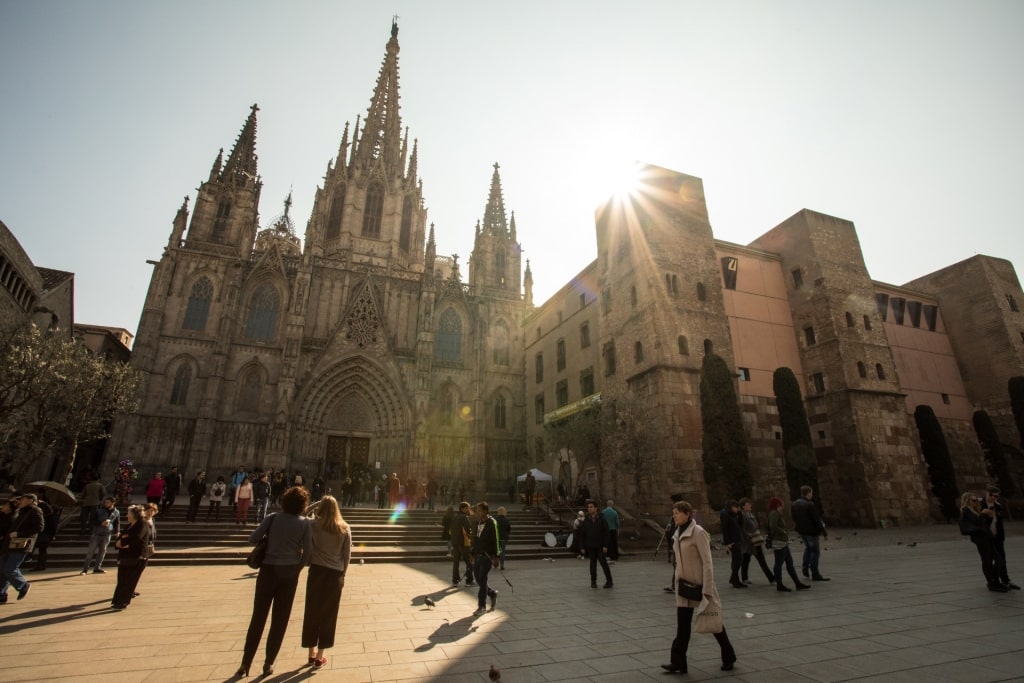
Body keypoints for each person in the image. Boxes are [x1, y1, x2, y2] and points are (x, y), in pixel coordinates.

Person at [238, 486, 313, 677]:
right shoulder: (305, 524)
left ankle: (245, 663)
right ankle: (268, 663)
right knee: (280, 620)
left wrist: (269, 542)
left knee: (258, 618)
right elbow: (308, 554)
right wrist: (297, 568)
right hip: (289, 574)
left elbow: (252, 538)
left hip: (268, 571)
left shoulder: (272, 518)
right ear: (303, 505)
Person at [662, 500, 737, 674]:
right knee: (682, 627)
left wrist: (708, 588)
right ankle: (678, 662)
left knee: (713, 622)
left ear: (687, 514)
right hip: (684, 586)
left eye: (678, 513)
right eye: (673, 514)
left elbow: (707, 562)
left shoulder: (698, 532)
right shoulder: (676, 532)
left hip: (701, 585)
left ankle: (729, 655)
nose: (675, 516)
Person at [302, 495, 352, 669]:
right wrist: (342, 575)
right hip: (335, 575)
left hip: (316, 572)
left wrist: (318, 504)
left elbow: (302, 513)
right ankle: (320, 656)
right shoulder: (344, 528)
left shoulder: (313, 525)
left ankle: (310, 653)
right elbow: (347, 556)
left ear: (321, 509)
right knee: (328, 616)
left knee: (311, 612)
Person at [1, 493, 44, 603]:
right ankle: (1, 594)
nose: (21, 501)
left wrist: (20, 534)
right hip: (8, 544)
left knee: (10, 569)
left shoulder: (35, 511)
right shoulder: (20, 511)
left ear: (30, 500)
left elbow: (39, 527)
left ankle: (23, 585)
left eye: (23, 499)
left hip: (20, 545)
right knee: (2, 570)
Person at [960, 492, 1006, 592]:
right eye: (973, 500)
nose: (975, 502)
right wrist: (983, 513)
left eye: (976, 500)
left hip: (987, 537)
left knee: (999, 560)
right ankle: (991, 583)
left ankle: (995, 581)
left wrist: (988, 516)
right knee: (987, 561)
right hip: (980, 539)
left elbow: (983, 524)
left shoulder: (976, 510)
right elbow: (976, 521)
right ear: (967, 501)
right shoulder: (966, 510)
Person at [110, 504, 152, 610]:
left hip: (137, 557)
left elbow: (136, 538)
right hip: (125, 556)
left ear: (134, 515)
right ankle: (117, 601)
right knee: (122, 580)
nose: (126, 515)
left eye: (128, 513)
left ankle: (123, 602)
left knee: (129, 581)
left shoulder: (142, 524)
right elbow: (121, 537)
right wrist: (120, 543)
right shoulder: (130, 525)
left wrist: (122, 542)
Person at [767, 497, 810, 592]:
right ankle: (780, 584)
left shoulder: (776, 513)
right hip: (779, 542)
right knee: (779, 564)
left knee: (789, 563)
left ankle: (797, 583)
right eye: (780, 504)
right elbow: (773, 526)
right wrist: (782, 531)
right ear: (777, 505)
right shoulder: (774, 513)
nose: (782, 506)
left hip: (783, 542)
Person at [981, 486, 1019, 590]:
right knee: (988, 560)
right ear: (986, 493)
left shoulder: (998, 506)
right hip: (985, 537)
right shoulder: (979, 504)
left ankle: (1005, 580)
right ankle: (992, 582)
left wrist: (1001, 536)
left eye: (996, 496)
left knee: (1002, 559)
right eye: (991, 495)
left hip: (997, 536)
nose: (993, 498)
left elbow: (999, 523)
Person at [791, 485, 829, 581]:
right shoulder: (809, 504)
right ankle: (815, 573)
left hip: (802, 531)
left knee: (808, 548)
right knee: (815, 551)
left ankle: (805, 566)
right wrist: (824, 532)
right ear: (808, 493)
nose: (812, 494)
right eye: (811, 493)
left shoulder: (795, 504)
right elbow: (817, 520)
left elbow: (794, 518)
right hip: (812, 532)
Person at [470, 501, 500, 615]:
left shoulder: (492, 523)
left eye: (480, 511)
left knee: (482, 579)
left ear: (486, 511)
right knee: (478, 578)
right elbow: (476, 539)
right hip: (478, 554)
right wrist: (472, 552)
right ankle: (492, 593)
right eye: (477, 510)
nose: (478, 513)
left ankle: (481, 606)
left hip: (487, 556)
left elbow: (496, 540)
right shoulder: (478, 523)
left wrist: (496, 556)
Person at [738, 497, 774, 585]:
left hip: (755, 540)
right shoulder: (742, 516)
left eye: (749, 504)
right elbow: (742, 529)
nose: (750, 505)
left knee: (752, 559)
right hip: (749, 542)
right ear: (743, 507)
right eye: (747, 504)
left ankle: (745, 577)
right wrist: (748, 536)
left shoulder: (750, 514)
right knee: (752, 560)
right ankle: (771, 578)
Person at [579, 500, 613, 588]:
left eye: (591, 507)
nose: (589, 509)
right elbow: (583, 534)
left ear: (596, 508)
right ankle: (593, 581)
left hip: (600, 546)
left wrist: (605, 545)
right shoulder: (586, 520)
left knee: (603, 563)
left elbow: (607, 533)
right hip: (591, 546)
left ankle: (609, 581)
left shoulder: (602, 519)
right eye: (588, 507)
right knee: (592, 565)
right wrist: (582, 546)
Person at [81, 497, 120, 574]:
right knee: (91, 551)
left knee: (102, 551)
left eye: (108, 502)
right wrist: (100, 523)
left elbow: (117, 522)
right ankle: (85, 569)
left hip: (107, 534)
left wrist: (117, 531)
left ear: (113, 503)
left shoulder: (116, 512)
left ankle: (97, 567)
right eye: (105, 502)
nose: (106, 504)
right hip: (97, 533)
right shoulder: (99, 511)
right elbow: (92, 520)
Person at [719, 500, 746, 588]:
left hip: (737, 538)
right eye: (736, 507)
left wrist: (740, 513)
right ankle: (734, 578)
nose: (737, 509)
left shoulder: (734, 514)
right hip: (732, 540)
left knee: (736, 560)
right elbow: (725, 528)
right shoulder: (725, 514)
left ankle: (735, 579)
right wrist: (728, 542)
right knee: (739, 559)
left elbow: (741, 524)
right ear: (731, 506)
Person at [450, 501, 474, 586]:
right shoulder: (464, 518)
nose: (469, 509)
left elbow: (450, 531)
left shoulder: (455, 517)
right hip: (464, 543)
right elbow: (468, 530)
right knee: (469, 562)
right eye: (467, 508)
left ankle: (455, 581)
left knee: (456, 563)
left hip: (455, 542)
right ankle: (469, 581)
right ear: (462, 509)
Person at [32, 496, 58, 571]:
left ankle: (40, 565)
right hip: (46, 535)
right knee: (42, 551)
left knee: (42, 551)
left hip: (44, 535)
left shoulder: (46, 516)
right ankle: (41, 565)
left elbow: (53, 527)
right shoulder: (51, 516)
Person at [496, 506, 511, 570]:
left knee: (497, 550)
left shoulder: (496, 519)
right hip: (504, 537)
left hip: (497, 537)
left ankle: (496, 563)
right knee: (503, 551)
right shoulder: (506, 520)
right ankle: (502, 564)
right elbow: (509, 529)